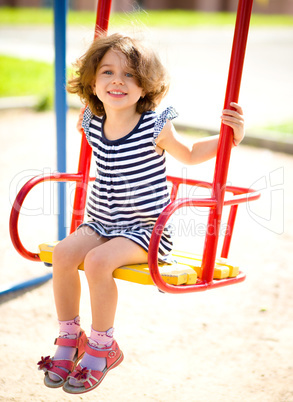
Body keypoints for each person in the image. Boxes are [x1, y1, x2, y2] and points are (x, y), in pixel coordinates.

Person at [37, 33, 244, 394]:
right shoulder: (91, 121)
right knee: (64, 254)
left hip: (146, 229)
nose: (118, 81)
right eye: (107, 72)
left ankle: (103, 346)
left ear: (146, 85)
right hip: (101, 220)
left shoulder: (154, 124)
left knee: (100, 262)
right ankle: (71, 335)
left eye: (130, 75)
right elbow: (87, 120)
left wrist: (231, 138)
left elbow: (191, 154)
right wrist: (92, 103)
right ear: (92, 81)